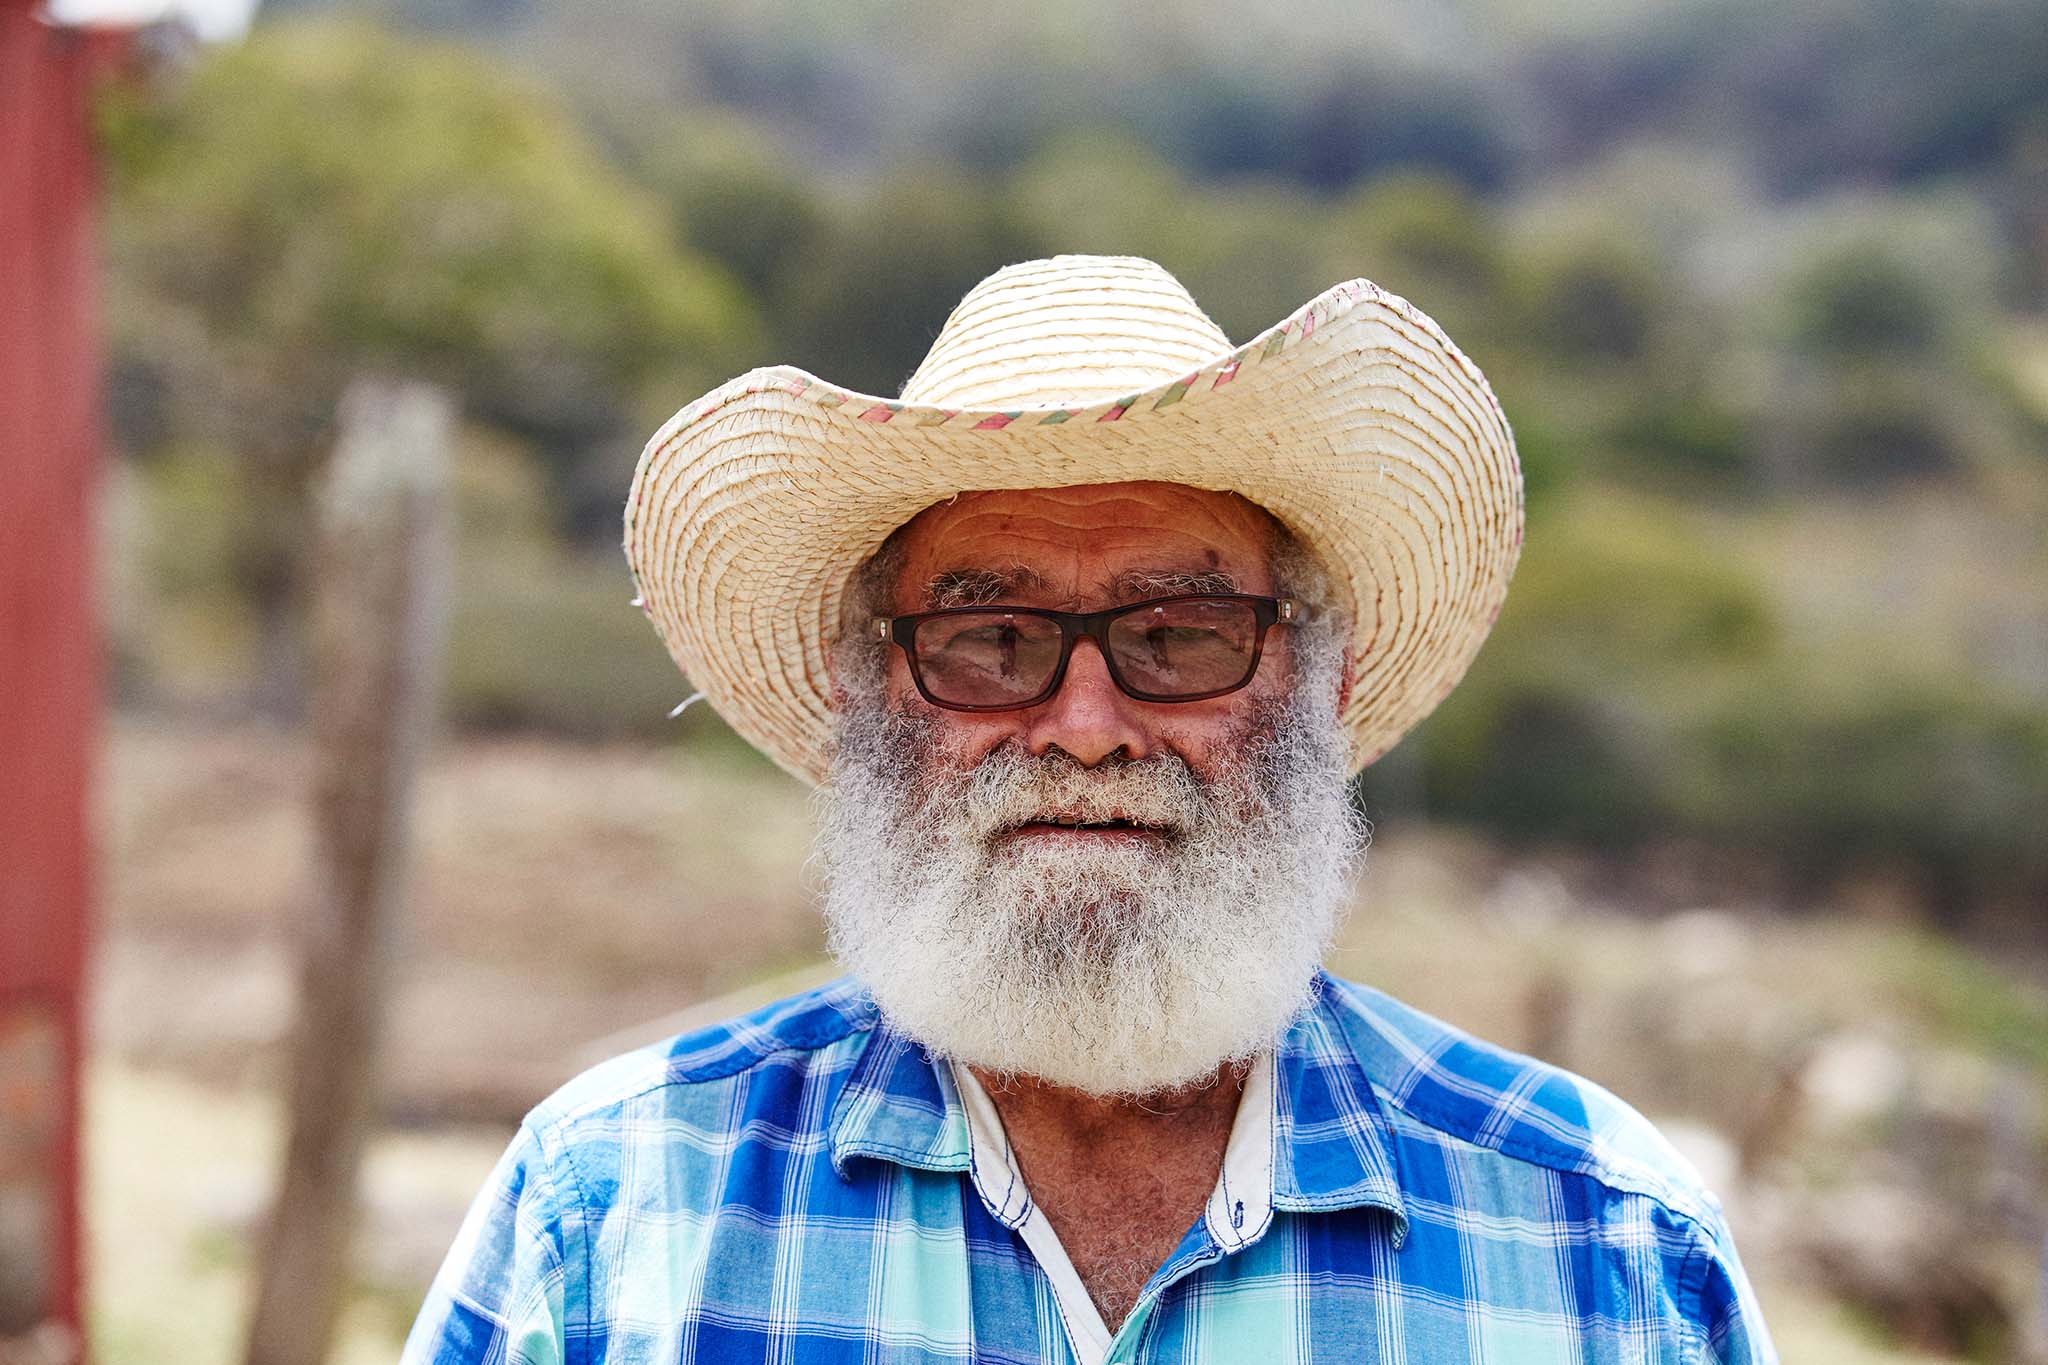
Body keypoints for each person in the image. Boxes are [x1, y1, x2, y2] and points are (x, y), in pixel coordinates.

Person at [403, 256, 1776, 1363]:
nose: (1084, 724)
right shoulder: (619, 1213)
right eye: (989, 638)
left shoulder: (1599, 1242)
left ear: (1318, 679)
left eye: (1179, 634)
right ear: (870, 691)